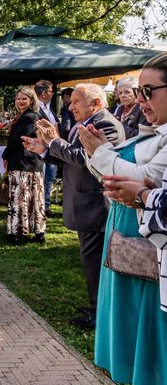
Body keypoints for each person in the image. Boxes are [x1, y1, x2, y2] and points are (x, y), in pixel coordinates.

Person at [76, 53, 167, 384]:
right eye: (138, 91)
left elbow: (146, 178)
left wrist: (100, 153)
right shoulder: (152, 130)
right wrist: (99, 156)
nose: (141, 99)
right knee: (128, 324)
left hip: (148, 239)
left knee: (149, 327)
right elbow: (113, 173)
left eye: (148, 91)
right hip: (126, 229)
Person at [22, 84, 125, 327]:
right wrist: (44, 149)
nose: (71, 106)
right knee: (91, 261)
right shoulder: (93, 121)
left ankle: (100, 314)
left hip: (95, 205)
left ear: (96, 103)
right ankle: (96, 306)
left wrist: (54, 141)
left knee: (96, 263)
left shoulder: (105, 124)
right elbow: (74, 156)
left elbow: (83, 159)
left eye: (77, 101)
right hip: (84, 201)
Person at [2, 86, 46, 244]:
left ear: (31, 100)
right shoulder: (25, 115)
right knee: (29, 198)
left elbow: (19, 140)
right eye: (18, 99)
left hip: (25, 163)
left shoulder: (30, 116)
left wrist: (5, 155)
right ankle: (33, 230)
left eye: (24, 99)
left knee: (22, 198)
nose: (20, 101)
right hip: (26, 163)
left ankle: (20, 232)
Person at [35, 80, 59, 216]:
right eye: (50, 91)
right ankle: (42, 205)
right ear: (43, 93)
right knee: (43, 177)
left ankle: (46, 204)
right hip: (43, 148)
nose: (52, 94)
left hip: (53, 148)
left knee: (49, 177)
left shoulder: (48, 107)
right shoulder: (36, 109)